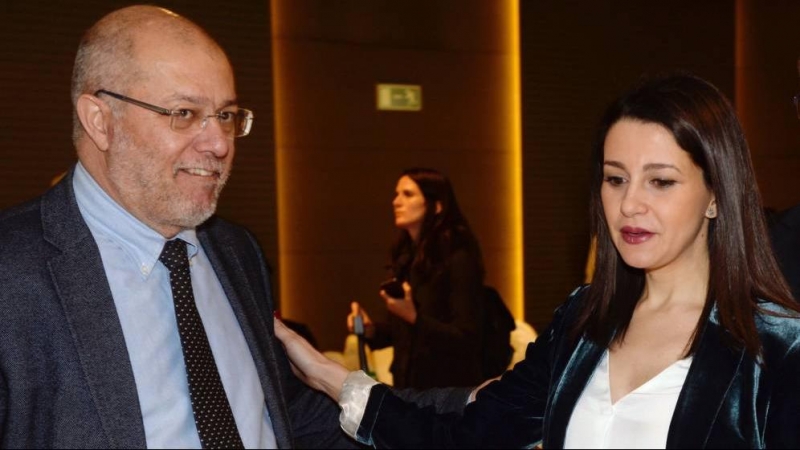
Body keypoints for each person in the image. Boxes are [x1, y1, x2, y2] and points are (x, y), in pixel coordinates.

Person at [274, 73, 800, 448]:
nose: (630, 203)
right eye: (615, 178)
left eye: (660, 181)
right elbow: (469, 437)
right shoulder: (583, 320)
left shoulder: (776, 348)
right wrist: (331, 377)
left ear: (715, 195)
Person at [0, 5, 358, 448]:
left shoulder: (236, 250)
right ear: (100, 121)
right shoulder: (11, 272)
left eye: (226, 115)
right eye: (184, 113)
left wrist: (450, 415)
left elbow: (284, 417)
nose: (218, 144)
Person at [346, 168, 487, 388]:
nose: (396, 202)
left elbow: (467, 337)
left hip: (449, 388)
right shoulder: (406, 256)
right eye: (396, 194)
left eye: (408, 194)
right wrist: (372, 330)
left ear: (437, 205)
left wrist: (414, 318)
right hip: (409, 386)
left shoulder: (459, 257)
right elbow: (403, 335)